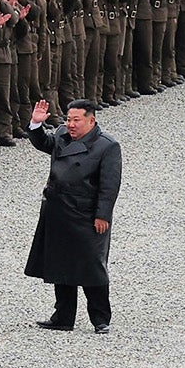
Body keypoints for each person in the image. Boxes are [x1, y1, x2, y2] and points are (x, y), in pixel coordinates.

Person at [23, 99, 118, 333]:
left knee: (91, 265)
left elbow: (109, 186)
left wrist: (103, 215)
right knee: (60, 263)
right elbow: (44, 142)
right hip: (58, 209)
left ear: (91, 121)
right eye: (68, 119)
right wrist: (36, 123)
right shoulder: (62, 135)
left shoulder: (107, 146)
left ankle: (100, 318)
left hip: (85, 212)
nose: (71, 124)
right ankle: (63, 317)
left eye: (76, 120)